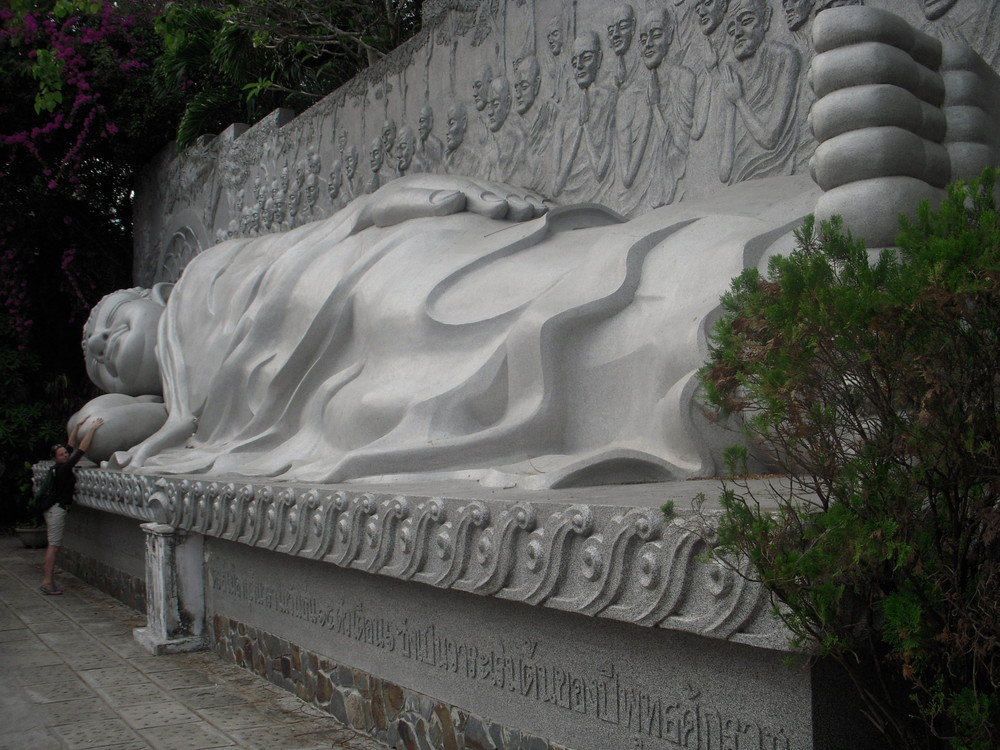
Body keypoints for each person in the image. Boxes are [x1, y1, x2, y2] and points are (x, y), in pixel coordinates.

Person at [77, 8, 1000, 488]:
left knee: (517, 291)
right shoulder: (177, 410)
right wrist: (151, 430)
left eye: (108, 318)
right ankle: (817, 299)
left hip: (367, 280)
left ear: (152, 289)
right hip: (320, 387)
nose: (103, 342)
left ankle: (807, 251)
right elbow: (202, 426)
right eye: (97, 359)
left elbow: (336, 226)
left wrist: (410, 195)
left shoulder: (211, 271)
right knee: (453, 383)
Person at [41, 417, 104, 594]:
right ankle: (47, 582)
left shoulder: (58, 465)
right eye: (62, 454)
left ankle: (48, 580)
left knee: (54, 545)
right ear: (56, 458)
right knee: (53, 546)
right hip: (57, 510)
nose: (66, 454)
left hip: (54, 509)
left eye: (65, 453)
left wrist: (76, 426)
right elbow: (81, 449)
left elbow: (70, 444)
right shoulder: (63, 469)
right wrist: (92, 429)